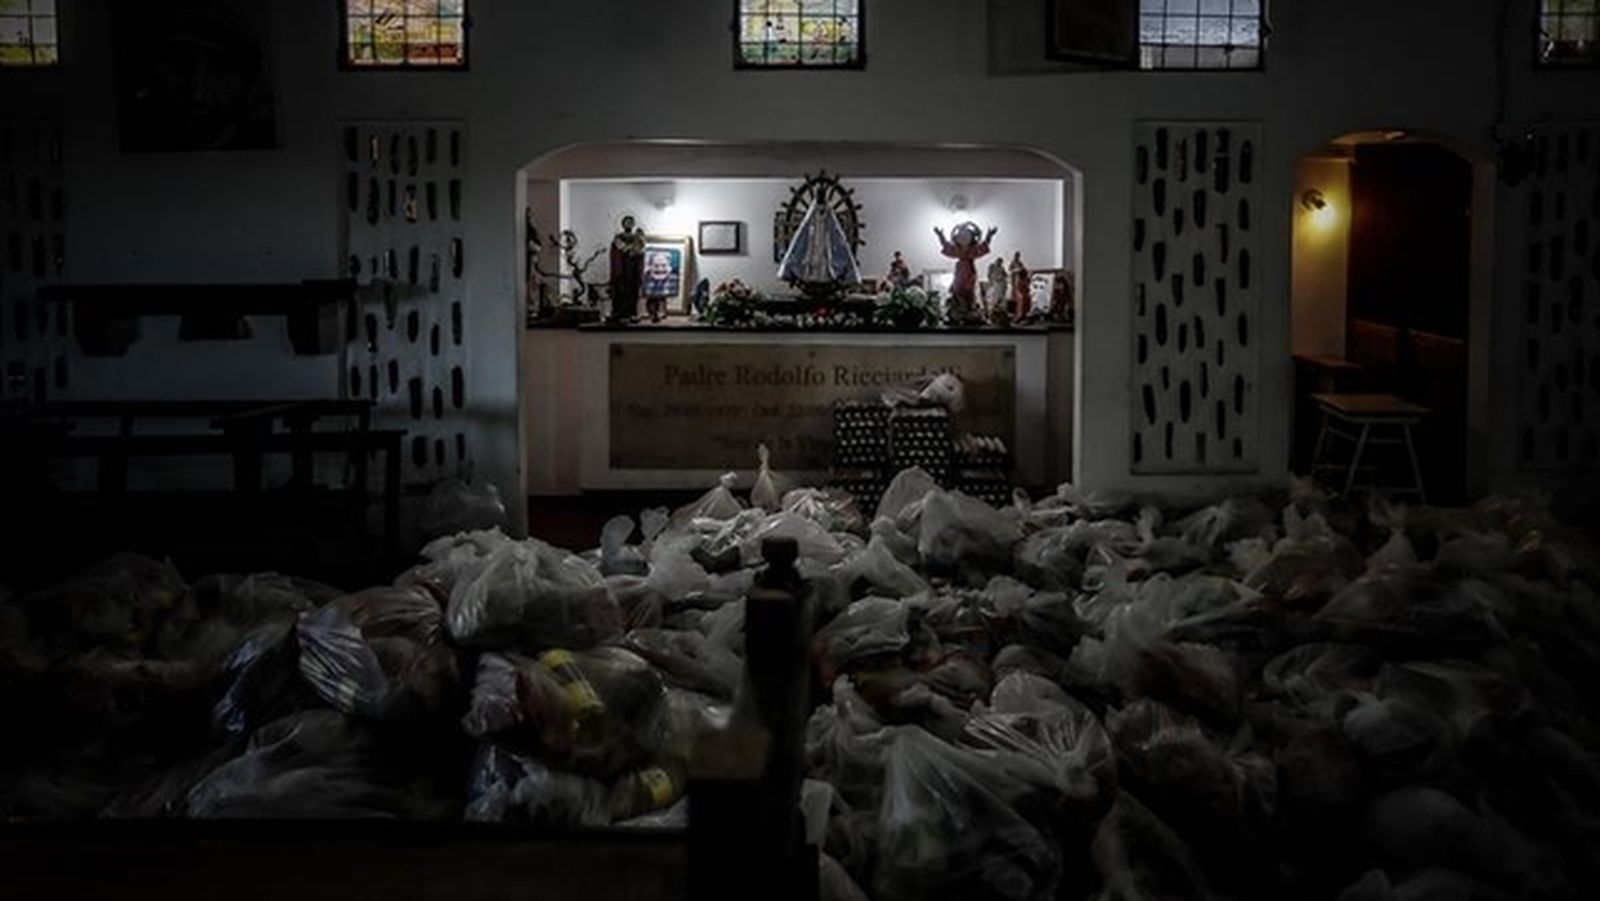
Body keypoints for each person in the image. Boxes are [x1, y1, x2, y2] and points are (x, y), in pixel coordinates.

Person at [933, 222, 996, 320]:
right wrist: (940, 235)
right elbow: (946, 245)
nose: (963, 238)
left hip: (969, 273)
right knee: (957, 290)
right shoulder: (957, 250)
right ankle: (958, 309)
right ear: (956, 238)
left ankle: (969, 309)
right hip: (959, 273)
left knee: (969, 292)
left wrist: (989, 235)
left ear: (972, 237)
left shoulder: (973, 251)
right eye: (961, 235)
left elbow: (984, 246)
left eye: (966, 235)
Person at [608, 215, 646, 322]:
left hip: (634, 268)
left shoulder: (637, 236)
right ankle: (620, 313)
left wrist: (638, 244)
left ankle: (632, 313)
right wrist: (630, 249)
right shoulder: (618, 237)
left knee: (633, 291)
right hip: (623, 268)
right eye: (627, 222)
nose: (629, 224)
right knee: (621, 292)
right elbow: (620, 249)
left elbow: (640, 250)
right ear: (623, 224)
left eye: (631, 222)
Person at [641, 249, 680, 322]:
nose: (660, 269)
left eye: (664, 265)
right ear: (649, 267)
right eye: (656, 265)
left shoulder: (673, 279)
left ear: (669, 268)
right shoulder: (645, 281)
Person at [1009, 252, 1031, 320]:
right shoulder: (1013, 262)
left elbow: (1022, 269)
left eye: (1018, 256)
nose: (1017, 257)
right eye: (1017, 255)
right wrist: (1016, 270)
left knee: (1025, 299)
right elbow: (1010, 269)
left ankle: (1023, 314)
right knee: (1019, 298)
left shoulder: (1020, 262)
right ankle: (1018, 314)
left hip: (1021, 281)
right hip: (1016, 279)